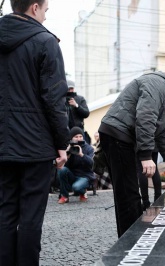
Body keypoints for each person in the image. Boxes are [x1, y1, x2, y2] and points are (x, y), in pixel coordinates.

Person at [0, 1, 70, 265]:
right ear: (34, 7)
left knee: (5, 211)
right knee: (30, 215)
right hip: (35, 143)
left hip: (2, 143)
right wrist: (60, 142)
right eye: (46, 9)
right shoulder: (44, 41)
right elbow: (54, 98)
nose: (46, 14)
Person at [99, 64, 165, 237]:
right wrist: (146, 155)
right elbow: (145, 116)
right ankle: (130, 244)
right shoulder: (157, 84)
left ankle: (129, 239)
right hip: (118, 136)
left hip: (122, 137)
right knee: (128, 195)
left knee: (128, 194)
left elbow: (163, 134)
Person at [57, 127, 95, 204]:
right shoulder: (69, 148)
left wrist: (81, 154)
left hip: (85, 176)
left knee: (76, 187)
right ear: (72, 138)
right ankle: (64, 196)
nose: (79, 138)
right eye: (76, 137)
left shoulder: (89, 148)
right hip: (73, 175)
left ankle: (83, 191)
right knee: (62, 169)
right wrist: (67, 154)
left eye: (80, 136)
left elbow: (91, 164)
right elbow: (63, 166)